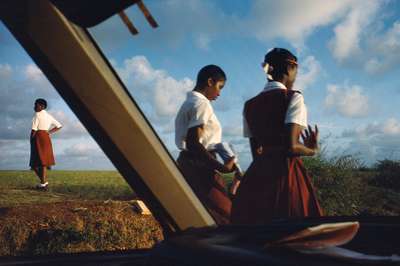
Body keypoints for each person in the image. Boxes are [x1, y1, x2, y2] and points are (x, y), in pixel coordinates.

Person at [231, 48, 323, 224]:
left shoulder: (249, 105)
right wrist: (311, 149)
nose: (295, 77)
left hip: (258, 174)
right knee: (296, 227)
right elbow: (291, 147)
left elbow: (255, 151)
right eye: (296, 71)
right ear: (289, 68)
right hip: (285, 172)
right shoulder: (293, 98)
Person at [175, 65, 241, 224]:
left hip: (187, 164)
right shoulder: (202, 104)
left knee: (197, 218)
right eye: (219, 87)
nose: (219, 93)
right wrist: (221, 167)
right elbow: (194, 143)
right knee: (224, 217)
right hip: (201, 166)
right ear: (210, 82)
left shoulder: (188, 103)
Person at [30, 98, 62, 189]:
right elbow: (59, 126)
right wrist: (49, 132)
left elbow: (34, 129)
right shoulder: (49, 116)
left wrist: (31, 139)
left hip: (37, 136)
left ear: (42, 106)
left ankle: (43, 183)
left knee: (34, 163)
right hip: (46, 137)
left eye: (36, 104)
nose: (34, 106)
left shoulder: (37, 115)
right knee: (43, 162)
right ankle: (43, 183)